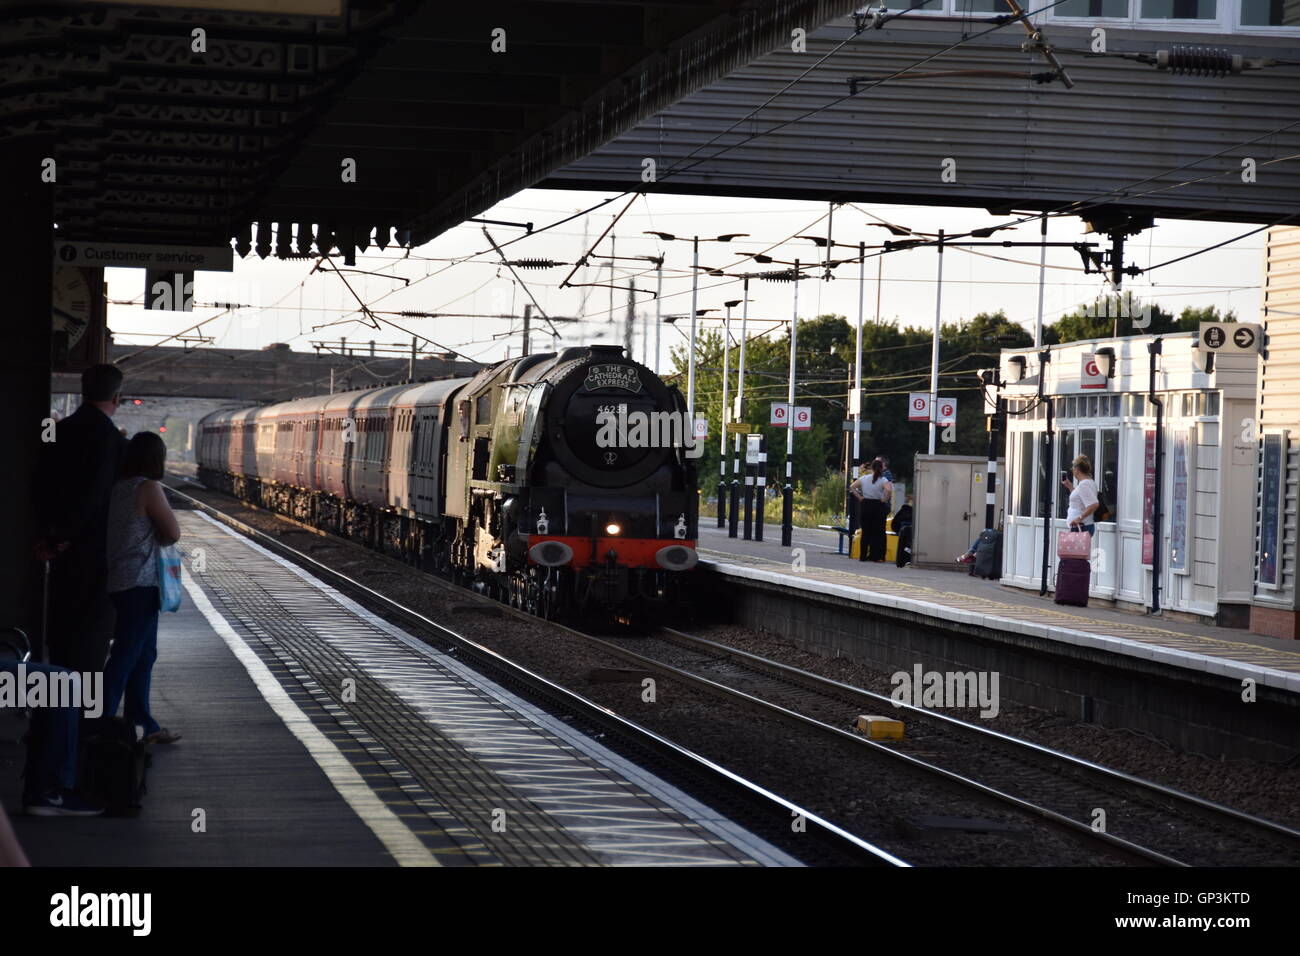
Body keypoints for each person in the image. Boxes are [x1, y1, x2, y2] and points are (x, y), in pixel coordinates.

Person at [34, 364, 128, 672]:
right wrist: (65, 537)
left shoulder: (57, 432)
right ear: (116, 397)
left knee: (61, 635)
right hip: (96, 554)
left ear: (83, 393)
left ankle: (56, 713)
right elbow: (96, 497)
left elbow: (40, 485)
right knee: (92, 640)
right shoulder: (112, 441)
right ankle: (86, 716)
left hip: (58, 552)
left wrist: (51, 537)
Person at [102, 432, 182, 745]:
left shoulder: (120, 487)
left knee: (143, 653)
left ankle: (143, 722)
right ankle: (102, 722)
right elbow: (172, 532)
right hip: (141, 584)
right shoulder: (148, 487)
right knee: (125, 655)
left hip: (121, 580)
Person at [850, 458, 892, 562]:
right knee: (878, 533)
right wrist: (885, 499)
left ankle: (863, 556)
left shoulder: (864, 478)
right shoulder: (883, 480)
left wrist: (860, 498)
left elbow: (852, 487)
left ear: (871, 468)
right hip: (878, 506)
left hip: (866, 505)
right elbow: (889, 489)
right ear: (881, 468)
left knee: (866, 532)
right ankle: (876, 556)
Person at [1061, 454, 1100, 538]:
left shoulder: (1084, 484)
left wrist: (1079, 518)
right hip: (1082, 526)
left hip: (1081, 526)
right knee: (1079, 551)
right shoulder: (1088, 483)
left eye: (1073, 469)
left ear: (1077, 469)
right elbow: (1080, 500)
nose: (1072, 471)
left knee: (1074, 551)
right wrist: (1070, 487)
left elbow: (1094, 504)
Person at [892, 494, 914, 568]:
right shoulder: (912, 511)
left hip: (900, 530)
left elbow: (894, 526)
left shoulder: (903, 512)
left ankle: (903, 559)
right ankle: (907, 558)